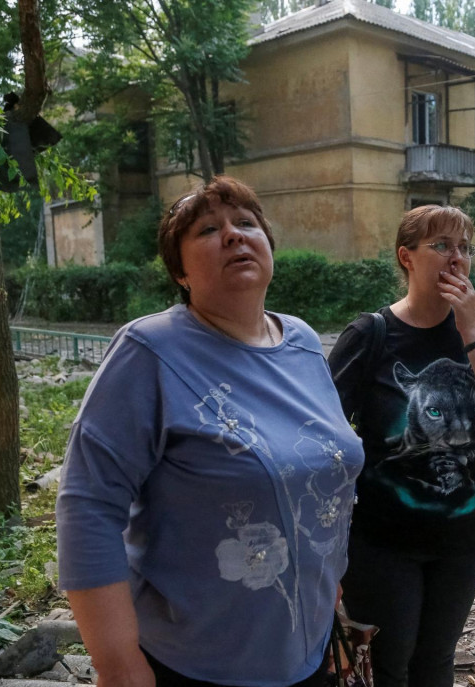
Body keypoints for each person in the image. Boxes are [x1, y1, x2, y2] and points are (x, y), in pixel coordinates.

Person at [56, 176, 363, 687]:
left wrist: (331, 603)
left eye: (247, 224)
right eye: (208, 229)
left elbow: (320, 478)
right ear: (179, 270)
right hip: (197, 662)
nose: (234, 235)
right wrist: (118, 664)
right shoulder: (150, 351)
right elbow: (87, 507)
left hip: (307, 649)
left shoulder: (304, 341)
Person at [327, 205, 475, 687]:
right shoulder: (371, 335)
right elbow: (321, 437)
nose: (456, 259)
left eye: (464, 248)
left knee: (437, 661)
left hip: (461, 539)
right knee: (389, 666)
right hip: (384, 543)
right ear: (407, 257)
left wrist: (470, 329)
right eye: (440, 246)